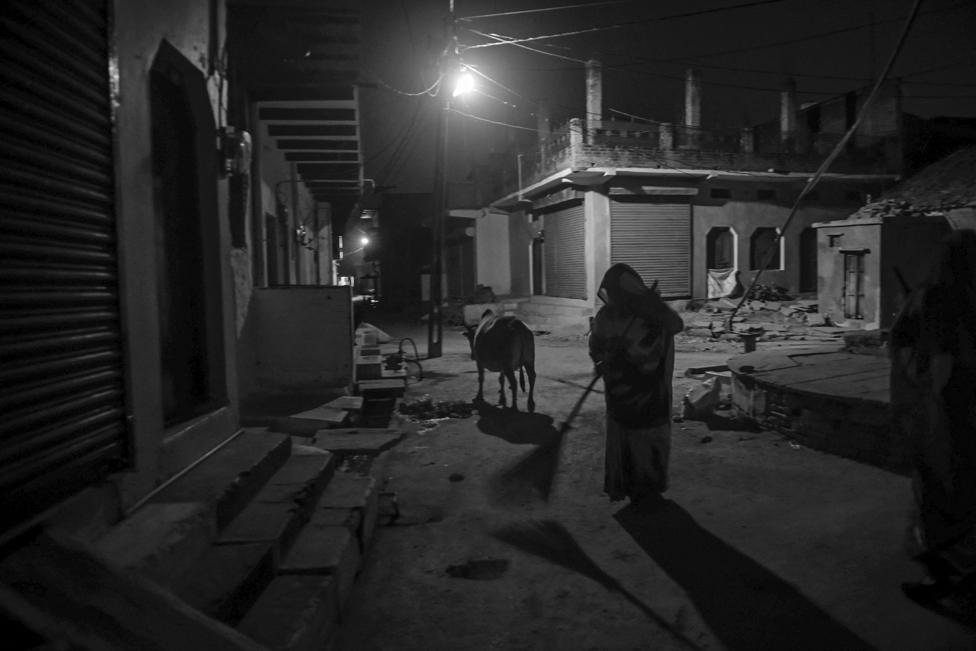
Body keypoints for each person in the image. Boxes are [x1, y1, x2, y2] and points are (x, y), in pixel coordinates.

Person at [889, 229, 976, 606]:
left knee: (942, 494)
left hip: (945, 417)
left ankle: (945, 579)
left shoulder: (934, 299)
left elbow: (928, 362)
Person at [588, 263, 684, 504]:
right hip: (625, 396)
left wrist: (655, 306)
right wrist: (601, 360)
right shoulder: (607, 316)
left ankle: (646, 492)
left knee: (645, 442)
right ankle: (636, 491)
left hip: (647, 395)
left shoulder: (652, 317)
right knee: (630, 442)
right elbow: (595, 345)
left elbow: (675, 326)